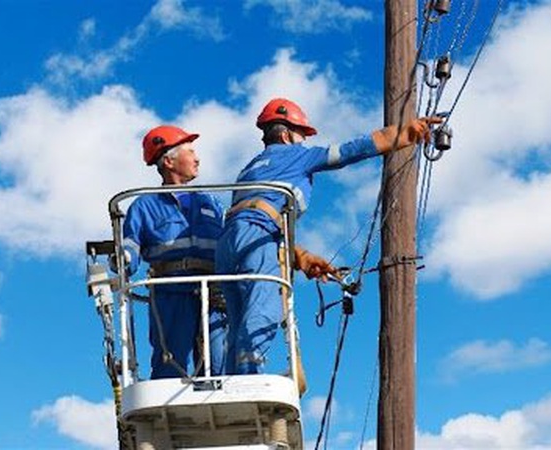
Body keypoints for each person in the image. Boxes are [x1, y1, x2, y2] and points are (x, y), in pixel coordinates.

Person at [216, 98, 441, 375]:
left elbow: (254, 222)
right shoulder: (297, 155)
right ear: (287, 135)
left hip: (228, 245)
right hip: (258, 235)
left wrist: (302, 257)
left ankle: (232, 379)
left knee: (239, 316)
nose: (303, 142)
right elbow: (350, 151)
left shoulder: (248, 170)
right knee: (264, 305)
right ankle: (248, 376)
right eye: (302, 135)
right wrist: (408, 132)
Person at [121, 125, 226, 379]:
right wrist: (122, 259)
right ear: (169, 161)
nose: (197, 158)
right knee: (169, 361)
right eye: (191, 151)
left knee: (220, 360)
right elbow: (129, 247)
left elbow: (229, 243)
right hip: (170, 291)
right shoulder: (145, 205)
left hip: (213, 291)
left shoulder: (211, 203)